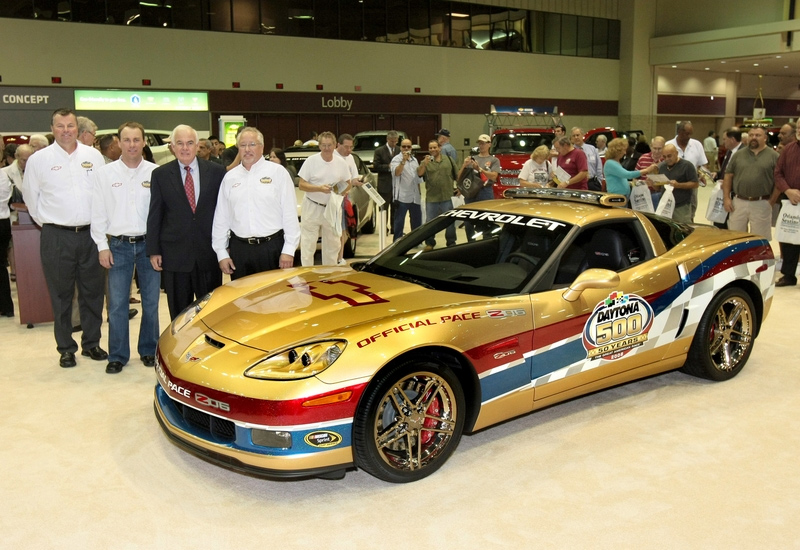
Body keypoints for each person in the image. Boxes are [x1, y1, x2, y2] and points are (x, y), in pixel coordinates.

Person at [21, 108, 107, 368]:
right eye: (61, 126)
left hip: (91, 235)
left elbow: (103, 195)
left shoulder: (93, 156)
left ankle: (91, 344)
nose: (66, 130)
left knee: (93, 293)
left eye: (70, 126)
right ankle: (66, 348)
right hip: (56, 236)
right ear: (52, 128)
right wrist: (52, 224)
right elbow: (30, 199)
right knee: (61, 295)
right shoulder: (39, 160)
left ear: (77, 129)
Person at [90, 122, 160, 374]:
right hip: (117, 245)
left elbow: (161, 214)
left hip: (149, 246)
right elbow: (96, 212)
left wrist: (158, 247)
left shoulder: (156, 173)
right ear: (119, 142)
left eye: (136, 139)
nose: (132, 144)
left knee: (151, 302)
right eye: (127, 140)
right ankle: (118, 354)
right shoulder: (105, 174)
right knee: (118, 304)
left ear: (144, 142)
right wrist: (101, 245)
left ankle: (149, 350)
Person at [146, 124, 226, 320]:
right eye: (179, 143)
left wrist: (226, 247)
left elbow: (224, 212)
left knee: (211, 314)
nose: (185, 148)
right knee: (180, 315)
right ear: (172, 147)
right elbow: (155, 213)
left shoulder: (216, 172)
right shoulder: (161, 174)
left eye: (189, 143)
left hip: (208, 254)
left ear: (197, 145)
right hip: (175, 257)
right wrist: (154, 249)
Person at [213, 127, 300, 279]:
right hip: (240, 251)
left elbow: (290, 214)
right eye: (242, 145)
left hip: (272, 248)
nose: (247, 149)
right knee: (243, 300)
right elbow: (221, 217)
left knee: (274, 300)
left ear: (262, 147)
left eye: (252, 144)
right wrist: (221, 252)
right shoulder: (230, 178)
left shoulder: (278, 173)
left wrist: (289, 250)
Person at [297, 131, 351, 266]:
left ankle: (329, 275)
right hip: (312, 206)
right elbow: (302, 184)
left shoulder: (341, 163)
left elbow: (348, 183)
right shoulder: (311, 161)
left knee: (332, 244)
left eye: (329, 145)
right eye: (323, 145)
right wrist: (319, 188)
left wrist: (341, 191)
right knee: (308, 243)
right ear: (319, 146)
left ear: (335, 145)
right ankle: (307, 275)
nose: (326, 148)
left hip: (332, 207)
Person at [722, 127, 778, 240]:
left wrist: (772, 201)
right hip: (738, 202)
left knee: (760, 239)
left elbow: (779, 181)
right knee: (735, 237)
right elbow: (728, 176)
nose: (754, 138)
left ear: (765, 138)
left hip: (761, 203)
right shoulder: (738, 155)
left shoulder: (774, 156)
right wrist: (726, 198)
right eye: (751, 135)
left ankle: (759, 258)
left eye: (758, 135)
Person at [418, 139, 458, 249]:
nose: (433, 149)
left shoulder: (448, 160)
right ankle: (430, 243)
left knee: (449, 222)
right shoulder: (425, 162)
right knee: (430, 222)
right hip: (432, 198)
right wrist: (425, 164)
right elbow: (419, 173)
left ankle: (451, 242)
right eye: (430, 148)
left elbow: (457, 174)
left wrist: (459, 188)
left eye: (435, 147)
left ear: (439, 148)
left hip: (447, 196)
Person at [773, 127, 800, 287]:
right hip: (791, 201)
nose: (799, 130)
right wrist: (788, 190)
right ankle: (788, 275)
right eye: (798, 127)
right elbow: (778, 173)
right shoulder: (788, 149)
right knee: (789, 239)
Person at [667, 121, 708, 221]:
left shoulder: (697, 144)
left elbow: (703, 164)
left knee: (691, 212)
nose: (689, 136)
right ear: (679, 132)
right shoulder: (669, 145)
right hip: (672, 187)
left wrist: (703, 174)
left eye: (691, 133)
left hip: (691, 185)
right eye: (687, 134)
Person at [333, 134, 365, 264]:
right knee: (336, 230)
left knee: (344, 229)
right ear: (338, 145)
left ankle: (340, 257)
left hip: (346, 198)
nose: (349, 150)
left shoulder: (351, 158)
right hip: (332, 198)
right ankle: (335, 257)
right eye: (346, 147)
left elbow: (353, 178)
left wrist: (358, 182)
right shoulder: (332, 157)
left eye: (351, 147)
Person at [655, 144, 698, 224]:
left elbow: (695, 184)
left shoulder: (687, 166)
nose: (667, 159)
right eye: (664, 157)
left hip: (681, 206)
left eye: (669, 156)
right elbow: (658, 188)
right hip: (665, 205)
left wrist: (678, 185)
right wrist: (652, 183)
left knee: (683, 229)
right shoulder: (662, 166)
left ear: (676, 153)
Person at [391, 138, 422, 241]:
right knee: (399, 222)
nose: (406, 149)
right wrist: (403, 161)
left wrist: (419, 193)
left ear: (411, 148)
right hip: (402, 197)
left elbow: (417, 178)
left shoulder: (415, 160)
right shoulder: (396, 159)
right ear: (400, 148)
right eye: (404, 146)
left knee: (417, 221)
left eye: (408, 146)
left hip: (415, 196)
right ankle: (397, 241)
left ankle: (416, 241)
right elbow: (397, 173)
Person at [458, 133, 499, 202]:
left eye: (483, 143)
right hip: (471, 190)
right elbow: (459, 177)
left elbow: (494, 176)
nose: (481, 146)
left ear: (489, 144)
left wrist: (479, 169)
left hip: (485, 190)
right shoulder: (472, 159)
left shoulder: (494, 160)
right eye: (480, 144)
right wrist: (464, 165)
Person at [373, 130, 400, 232]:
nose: (394, 143)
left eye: (395, 141)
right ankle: (384, 228)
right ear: (387, 140)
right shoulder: (379, 151)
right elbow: (376, 166)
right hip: (384, 184)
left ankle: (394, 228)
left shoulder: (399, 150)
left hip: (397, 184)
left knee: (395, 208)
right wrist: (388, 167)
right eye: (392, 141)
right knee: (384, 208)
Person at [635, 136, 667, 207]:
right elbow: (635, 177)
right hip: (643, 194)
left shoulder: (666, 161)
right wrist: (641, 183)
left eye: (659, 149)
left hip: (660, 195)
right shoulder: (643, 158)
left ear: (664, 147)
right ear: (650, 147)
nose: (656, 151)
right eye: (654, 148)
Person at [571, 127, 603, 191]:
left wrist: (599, 182)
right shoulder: (571, 151)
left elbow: (599, 166)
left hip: (592, 183)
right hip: (577, 184)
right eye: (574, 136)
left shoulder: (592, 149)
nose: (576, 137)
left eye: (578, 135)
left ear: (583, 135)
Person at [0, 169, 12, 317]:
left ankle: (5, 305)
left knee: (0, 265)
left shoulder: (2, 175)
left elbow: (3, 197)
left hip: (1, 221)